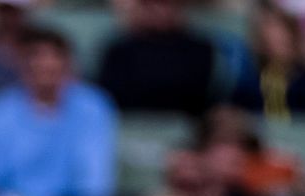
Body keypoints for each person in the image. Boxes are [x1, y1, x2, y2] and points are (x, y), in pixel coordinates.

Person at [0, 26, 116, 196]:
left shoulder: (92, 108)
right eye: (35, 56)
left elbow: (93, 183)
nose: (45, 64)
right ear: (21, 63)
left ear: (68, 63)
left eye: (54, 56)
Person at [96, 0, 230, 117]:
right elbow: (109, 96)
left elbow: (198, 95)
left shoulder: (200, 49)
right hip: (130, 123)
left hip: (186, 125)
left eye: (164, 3)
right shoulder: (120, 49)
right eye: (149, 4)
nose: (157, 10)